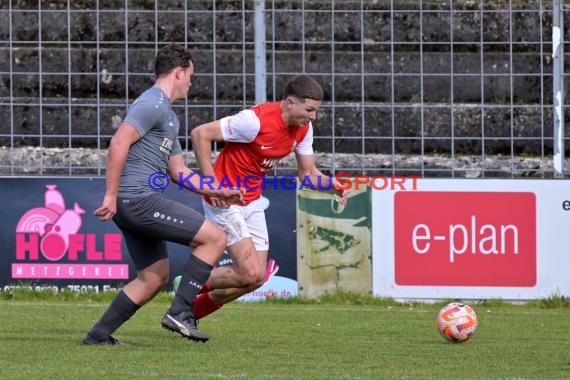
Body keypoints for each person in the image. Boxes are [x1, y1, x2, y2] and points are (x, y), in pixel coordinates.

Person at [82, 44, 244, 345]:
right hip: (138, 200)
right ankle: (181, 312)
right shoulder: (152, 103)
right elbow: (118, 144)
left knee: (153, 277)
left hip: (132, 204)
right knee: (215, 238)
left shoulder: (168, 115)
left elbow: (178, 171)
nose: (192, 82)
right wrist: (110, 195)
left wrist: (216, 189)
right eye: (191, 75)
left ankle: (98, 335)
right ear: (178, 72)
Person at [190, 74, 348, 320]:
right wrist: (212, 184)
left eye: (316, 110)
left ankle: (189, 312)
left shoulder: (304, 129)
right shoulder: (254, 122)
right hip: (224, 200)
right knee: (249, 272)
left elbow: (307, 174)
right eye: (309, 109)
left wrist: (330, 184)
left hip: (251, 201)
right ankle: (189, 285)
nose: (313, 116)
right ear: (289, 103)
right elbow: (200, 134)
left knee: (256, 279)